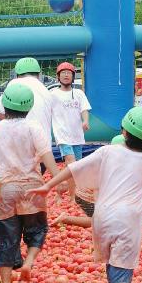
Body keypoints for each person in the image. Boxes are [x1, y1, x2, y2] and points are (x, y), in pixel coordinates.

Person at [29, 107, 142, 283]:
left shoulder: (109, 152)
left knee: (112, 264)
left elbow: (73, 168)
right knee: (123, 275)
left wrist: (48, 186)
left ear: (123, 131)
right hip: (128, 221)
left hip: (102, 217)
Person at [0, 84, 62, 283]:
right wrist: (58, 180)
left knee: (7, 237)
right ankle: (29, 262)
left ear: (4, 106)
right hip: (32, 186)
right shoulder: (33, 127)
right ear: (29, 107)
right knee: (37, 230)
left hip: (6, 188)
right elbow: (46, 155)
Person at [53, 134, 125, 229]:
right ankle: (66, 219)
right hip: (86, 197)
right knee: (101, 221)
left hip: (87, 193)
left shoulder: (110, 162)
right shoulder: (111, 167)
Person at [49, 62, 92, 200]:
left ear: (73, 77)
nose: (66, 75)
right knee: (72, 163)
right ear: (58, 77)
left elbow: (84, 109)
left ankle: (61, 191)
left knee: (74, 168)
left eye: (69, 73)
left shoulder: (79, 93)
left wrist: (85, 121)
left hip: (77, 136)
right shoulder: (53, 94)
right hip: (62, 135)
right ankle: (73, 196)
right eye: (63, 73)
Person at [7, 57, 57, 163]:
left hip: (19, 149)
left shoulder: (14, 84)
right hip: (44, 151)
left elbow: (0, 112)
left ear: (17, 73)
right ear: (39, 74)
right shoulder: (45, 90)